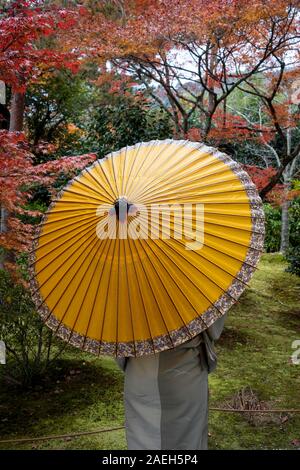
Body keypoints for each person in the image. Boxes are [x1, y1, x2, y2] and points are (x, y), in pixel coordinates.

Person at [115, 314, 227, 450]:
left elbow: (117, 341)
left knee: (142, 441)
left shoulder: (124, 295)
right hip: (185, 373)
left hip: (140, 375)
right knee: (187, 443)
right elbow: (213, 327)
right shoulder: (194, 292)